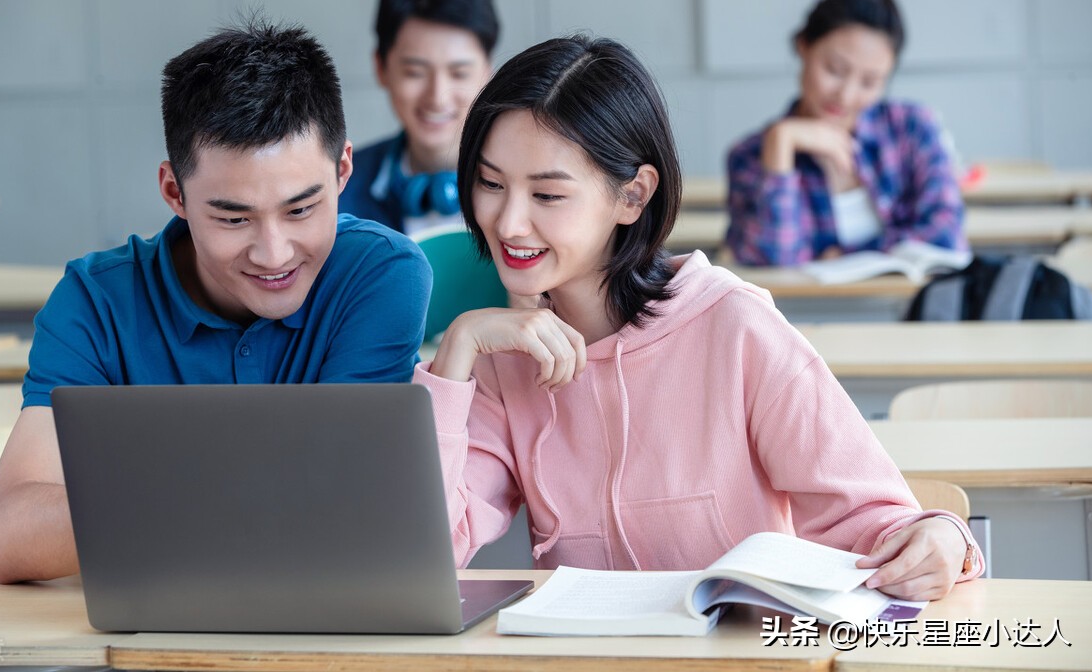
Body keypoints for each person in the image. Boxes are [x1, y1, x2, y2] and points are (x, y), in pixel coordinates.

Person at [416, 34, 982, 601]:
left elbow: (878, 522)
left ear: (633, 196)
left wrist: (942, 537)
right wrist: (457, 351)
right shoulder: (503, 362)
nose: (509, 222)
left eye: (546, 195)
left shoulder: (735, 329)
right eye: (491, 184)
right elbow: (429, 553)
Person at [0, 18, 431, 583]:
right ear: (174, 192)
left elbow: (338, 509)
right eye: (233, 218)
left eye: (301, 210)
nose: (274, 253)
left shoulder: (380, 274)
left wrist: (127, 499)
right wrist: (269, 487)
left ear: (343, 169)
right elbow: (12, 537)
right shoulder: (95, 302)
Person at [725, 0, 967, 267]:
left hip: (910, 312)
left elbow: (947, 235)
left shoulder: (913, 128)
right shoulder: (749, 156)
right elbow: (771, 263)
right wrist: (781, 143)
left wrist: (845, 257)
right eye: (835, 70)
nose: (847, 95)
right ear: (804, 46)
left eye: (869, 82)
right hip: (798, 315)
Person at [340, 0, 498, 236]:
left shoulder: (527, 190)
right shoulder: (339, 188)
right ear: (381, 68)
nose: (438, 97)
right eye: (415, 72)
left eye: (459, 73)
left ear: (487, 73)